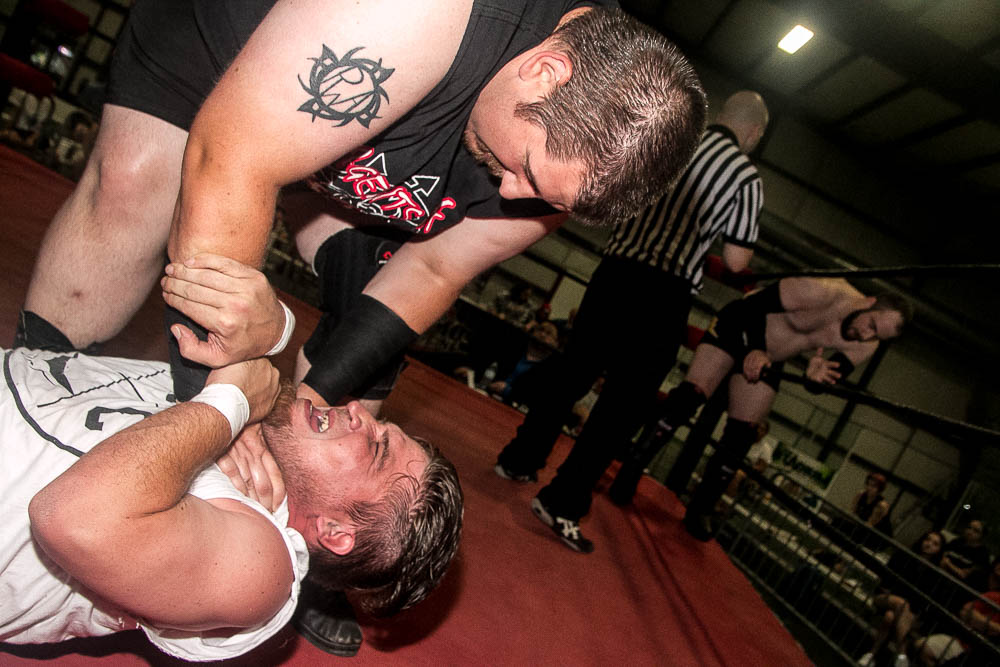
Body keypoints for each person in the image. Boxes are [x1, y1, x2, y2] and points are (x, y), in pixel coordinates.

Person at [17, 1, 708, 407]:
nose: (512, 196)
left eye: (543, 196)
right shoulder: (417, 12)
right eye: (526, 169)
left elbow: (433, 269)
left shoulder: (563, 160)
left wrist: (309, 410)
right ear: (546, 70)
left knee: (361, 371)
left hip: (372, 157)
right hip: (236, 44)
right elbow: (232, 157)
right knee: (135, 190)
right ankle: (29, 386)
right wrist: (221, 400)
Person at [0, 345, 463, 660]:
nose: (359, 410)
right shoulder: (257, 422)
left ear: (335, 531)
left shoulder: (262, 568)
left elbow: (73, 518)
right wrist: (270, 333)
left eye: (376, 448)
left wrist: (231, 402)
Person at [493, 91, 768, 553]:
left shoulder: (672, 141)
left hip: (615, 271)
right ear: (754, 134)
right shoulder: (744, 175)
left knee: (572, 372)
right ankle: (562, 501)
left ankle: (518, 459)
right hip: (664, 292)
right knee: (622, 405)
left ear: (720, 114)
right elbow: (737, 261)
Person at [609, 277, 913, 541]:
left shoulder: (865, 345)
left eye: (877, 336)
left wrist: (814, 378)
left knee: (743, 433)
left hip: (771, 356)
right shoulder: (822, 291)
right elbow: (752, 304)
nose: (867, 335)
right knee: (691, 396)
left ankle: (701, 508)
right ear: (869, 302)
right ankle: (631, 470)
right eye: (871, 325)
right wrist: (755, 347)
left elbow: (824, 381)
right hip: (738, 327)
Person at [859, 531, 945, 667]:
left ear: (939, 550)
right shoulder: (903, 556)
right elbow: (886, 583)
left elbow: (923, 602)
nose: (929, 544)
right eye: (927, 539)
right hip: (885, 598)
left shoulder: (935, 574)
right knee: (901, 604)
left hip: (908, 612)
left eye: (935, 544)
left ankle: (871, 655)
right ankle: (902, 655)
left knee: (890, 617)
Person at [915, 557, 1000, 667]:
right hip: (954, 626)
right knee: (921, 646)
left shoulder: (995, 595)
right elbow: (965, 611)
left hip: (977, 647)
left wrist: (984, 623)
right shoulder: (979, 577)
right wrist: (987, 624)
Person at [940, 519, 992, 592]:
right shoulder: (958, 541)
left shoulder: (983, 554)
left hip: (959, 590)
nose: (970, 532)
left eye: (976, 531)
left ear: (982, 535)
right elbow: (942, 557)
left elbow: (963, 575)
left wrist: (948, 563)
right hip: (941, 580)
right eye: (969, 527)